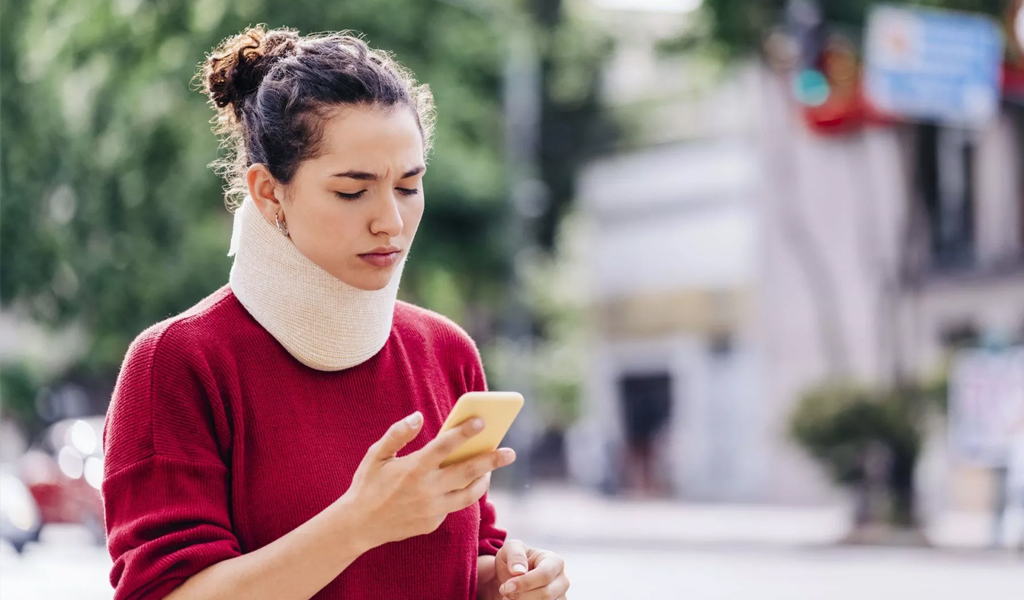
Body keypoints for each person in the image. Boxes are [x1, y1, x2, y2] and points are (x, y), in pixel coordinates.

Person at [101, 25, 570, 600]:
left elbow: (458, 565)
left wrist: (511, 582)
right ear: (269, 193)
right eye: (353, 191)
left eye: (409, 185)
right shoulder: (176, 362)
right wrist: (359, 524)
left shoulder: (445, 352)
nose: (391, 223)